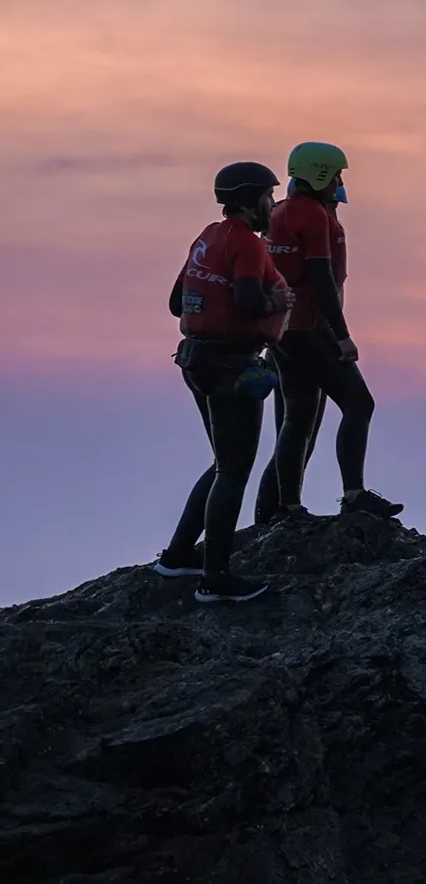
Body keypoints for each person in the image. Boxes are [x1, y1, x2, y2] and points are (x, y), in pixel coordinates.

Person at [152, 161, 295, 602]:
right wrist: (278, 299)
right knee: (234, 469)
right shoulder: (248, 245)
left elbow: (177, 302)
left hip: (195, 361)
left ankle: (177, 557)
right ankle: (215, 579)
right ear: (253, 201)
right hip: (231, 366)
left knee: (222, 463)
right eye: (269, 198)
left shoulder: (207, 237)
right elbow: (252, 302)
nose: (272, 206)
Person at [253, 141, 403, 524]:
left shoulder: (280, 213)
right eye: (336, 174)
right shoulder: (313, 216)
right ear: (320, 173)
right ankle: (353, 494)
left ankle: (282, 508)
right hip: (310, 329)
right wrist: (342, 335)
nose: (338, 183)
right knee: (358, 403)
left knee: (297, 417)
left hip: (282, 333)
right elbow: (320, 277)